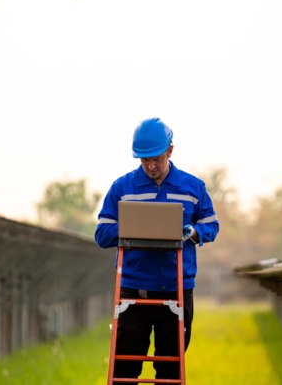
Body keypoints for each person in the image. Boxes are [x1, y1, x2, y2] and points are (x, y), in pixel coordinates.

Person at [95, 117, 219, 380]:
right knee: (125, 368)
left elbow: (211, 224)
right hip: (133, 290)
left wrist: (194, 232)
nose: (151, 166)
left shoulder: (193, 188)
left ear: (170, 151)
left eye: (157, 158)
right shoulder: (122, 188)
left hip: (178, 289)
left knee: (170, 370)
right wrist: (132, 228)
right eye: (144, 160)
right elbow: (102, 233)